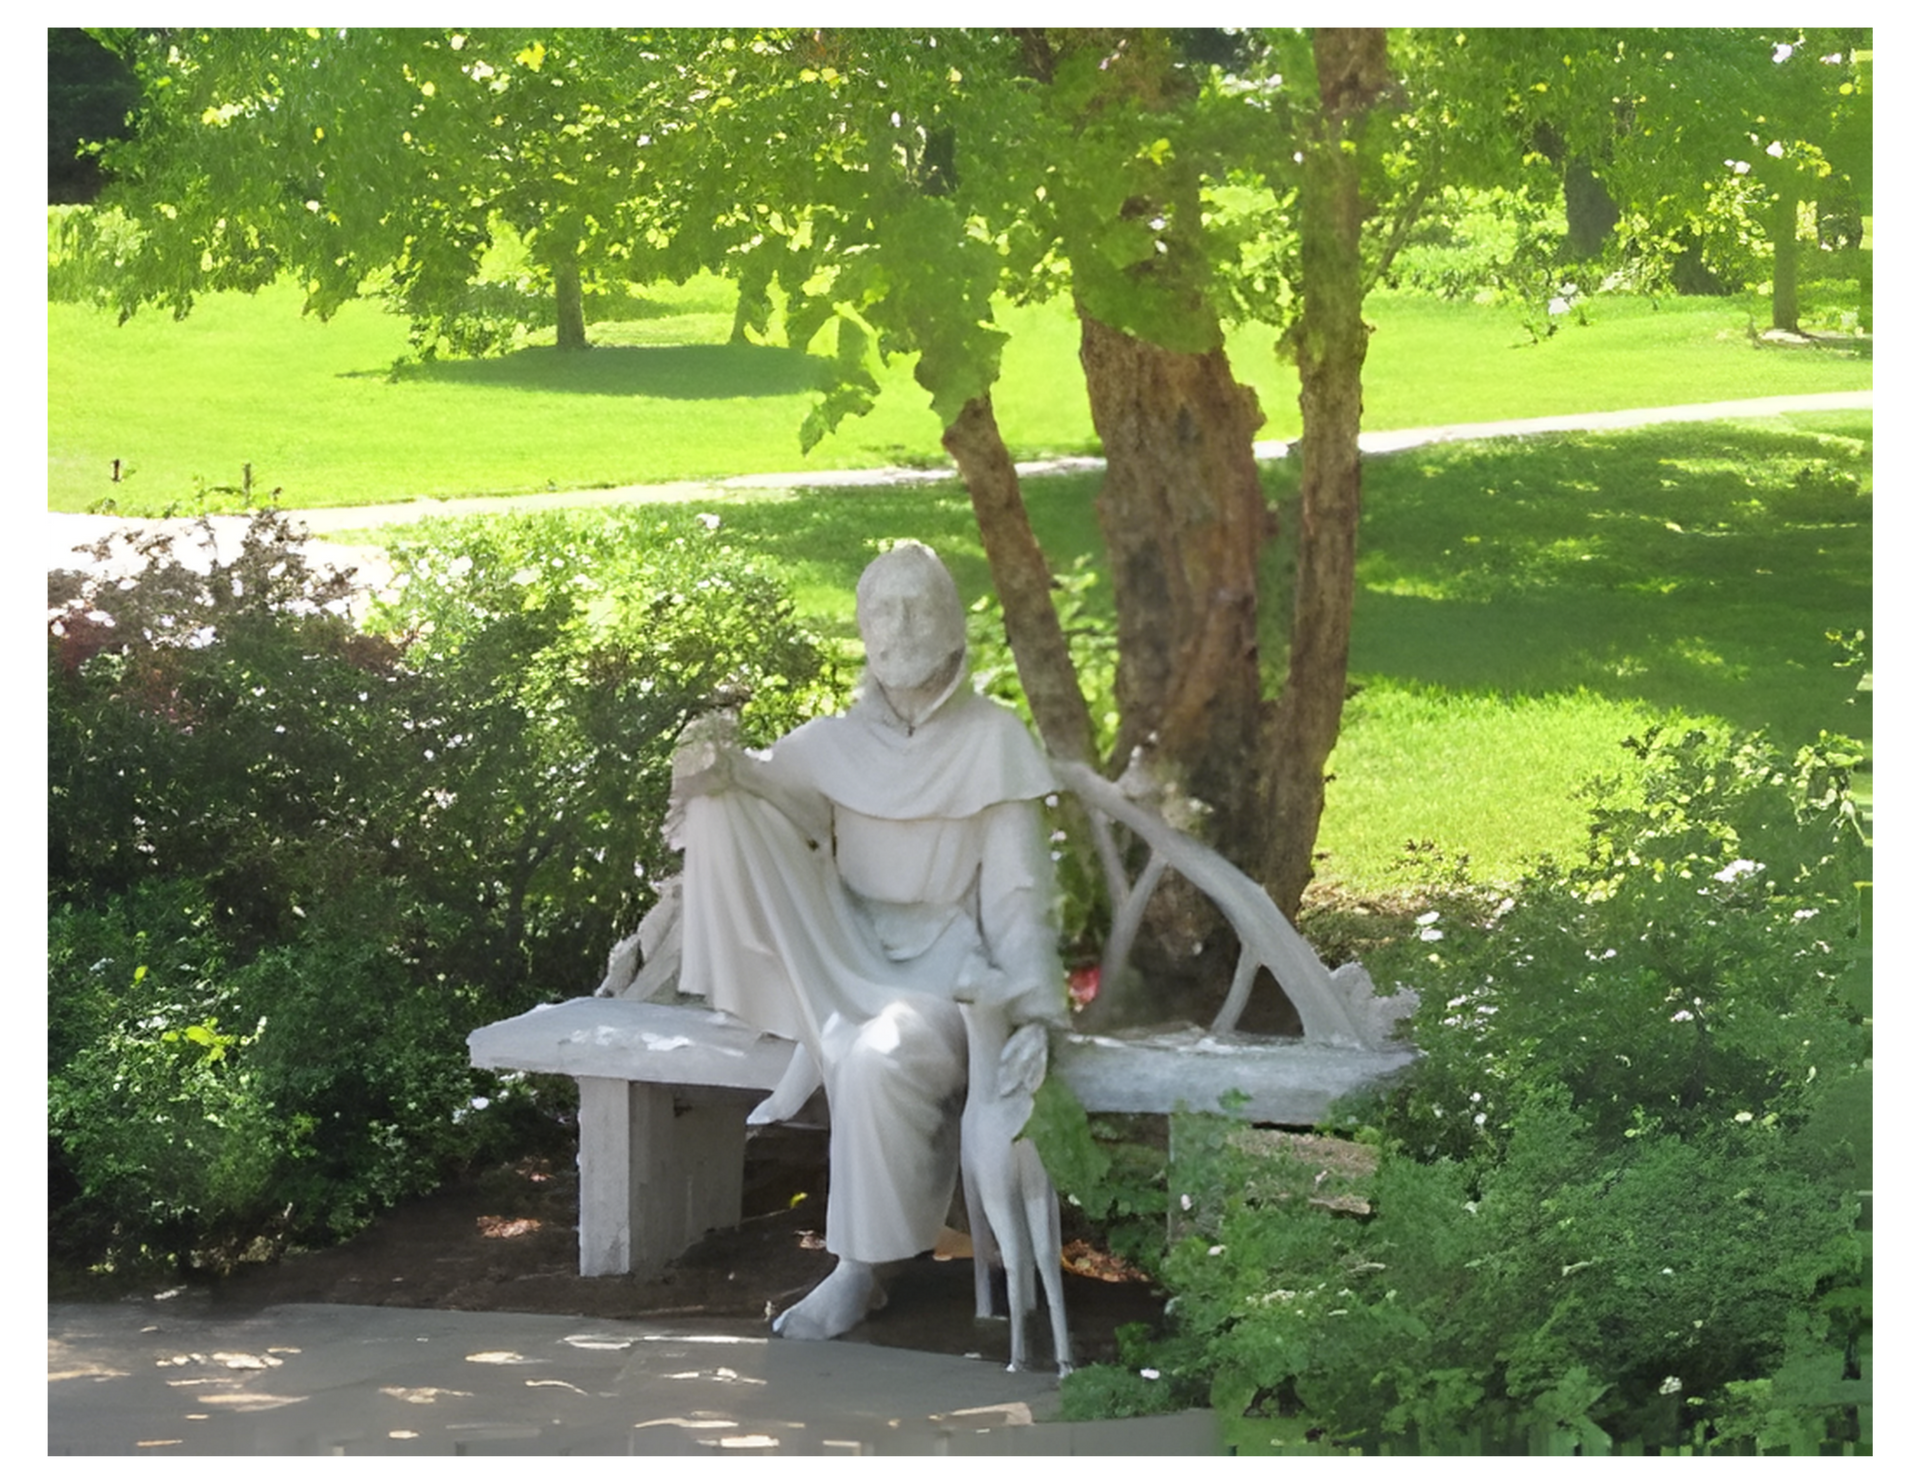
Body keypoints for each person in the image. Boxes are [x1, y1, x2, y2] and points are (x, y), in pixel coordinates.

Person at [669, 541, 1064, 1340]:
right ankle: (861, 1266)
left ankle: (859, 1271)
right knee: (724, 805)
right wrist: (714, 770)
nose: (902, 624)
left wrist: (1032, 1014)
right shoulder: (828, 746)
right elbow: (765, 808)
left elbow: (1020, 897)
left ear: (953, 625)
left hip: (947, 973)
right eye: (883, 609)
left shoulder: (995, 742)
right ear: (863, 629)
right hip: (839, 951)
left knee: (877, 1057)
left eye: (919, 606)